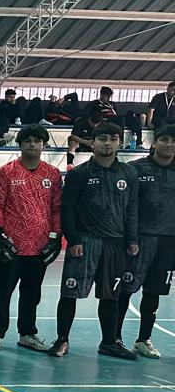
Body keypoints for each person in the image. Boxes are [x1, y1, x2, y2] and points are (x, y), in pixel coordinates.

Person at [50, 122, 139, 359]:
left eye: (112, 138)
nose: (107, 143)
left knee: (111, 295)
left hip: (116, 244)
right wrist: (74, 238)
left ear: (120, 142)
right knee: (70, 293)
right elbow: (67, 210)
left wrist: (132, 239)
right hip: (85, 242)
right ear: (93, 142)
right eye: (102, 138)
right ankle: (62, 340)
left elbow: (132, 210)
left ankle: (109, 342)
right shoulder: (79, 174)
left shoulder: (129, 174)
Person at [0, 124, 62, 353]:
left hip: (38, 248)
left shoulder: (52, 174)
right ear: (19, 144)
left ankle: (27, 333)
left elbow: (56, 209)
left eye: (37, 141)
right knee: (2, 292)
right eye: (27, 140)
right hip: (11, 246)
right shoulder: (6, 172)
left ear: (43, 144)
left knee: (32, 294)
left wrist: (55, 238)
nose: (32, 144)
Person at [122, 124, 175, 358]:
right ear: (154, 142)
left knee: (153, 294)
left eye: (174, 141)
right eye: (164, 139)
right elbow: (125, 208)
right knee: (124, 290)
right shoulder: (134, 169)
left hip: (169, 242)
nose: (169, 144)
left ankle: (143, 339)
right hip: (139, 240)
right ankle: (113, 337)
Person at [144, 82, 175, 147]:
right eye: (173, 90)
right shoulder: (158, 97)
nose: (174, 92)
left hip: (170, 119)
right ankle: (157, 143)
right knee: (162, 124)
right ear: (167, 89)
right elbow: (150, 110)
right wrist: (149, 123)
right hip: (158, 118)